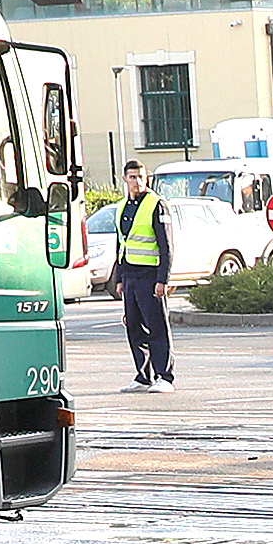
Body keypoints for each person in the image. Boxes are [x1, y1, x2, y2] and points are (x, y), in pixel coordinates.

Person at [110, 162, 175, 388]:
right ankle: (143, 376)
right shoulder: (122, 207)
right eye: (132, 177)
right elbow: (121, 243)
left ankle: (164, 376)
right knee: (134, 327)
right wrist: (119, 278)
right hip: (130, 275)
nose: (137, 181)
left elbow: (166, 245)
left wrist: (162, 280)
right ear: (125, 179)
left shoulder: (156, 205)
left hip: (150, 275)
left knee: (156, 327)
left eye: (140, 177)